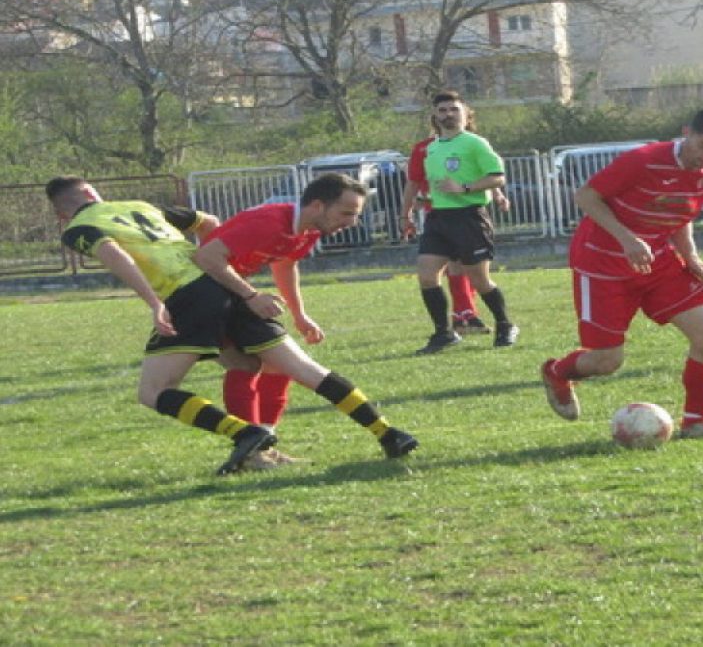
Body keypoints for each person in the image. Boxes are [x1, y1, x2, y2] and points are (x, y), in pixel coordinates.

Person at [46, 175, 418, 475]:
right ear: (93, 190)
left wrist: (155, 301)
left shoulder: (78, 227)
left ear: (62, 214)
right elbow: (207, 223)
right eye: (346, 213)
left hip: (188, 292)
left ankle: (246, 433)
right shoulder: (141, 206)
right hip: (224, 286)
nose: (350, 221)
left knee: (154, 391)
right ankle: (386, 433)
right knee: (277, 366)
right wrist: (220, 263)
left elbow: (114, 253)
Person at [540, 106, 703, 439]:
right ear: (686, 132)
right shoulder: (644, 159)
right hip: (603, 262)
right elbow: (586, 197)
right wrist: (627, 239)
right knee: (607, 361)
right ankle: (557, 372)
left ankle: (696, 422)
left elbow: (681, 210)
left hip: (658, 261)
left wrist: (690, 255)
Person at [411, 89, 519, 354]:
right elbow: (428, 183)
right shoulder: (432, 147)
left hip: (469, 217)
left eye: (453, 109)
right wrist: (420, 200)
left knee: (480, 281)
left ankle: (505, 324)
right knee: (426, 275)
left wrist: (465, 187)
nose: (448, 115)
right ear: (435, 116)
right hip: (438, 218)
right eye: (443, 110)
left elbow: (497, 177)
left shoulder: (475, 143)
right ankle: (443, 333)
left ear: (465, 113)